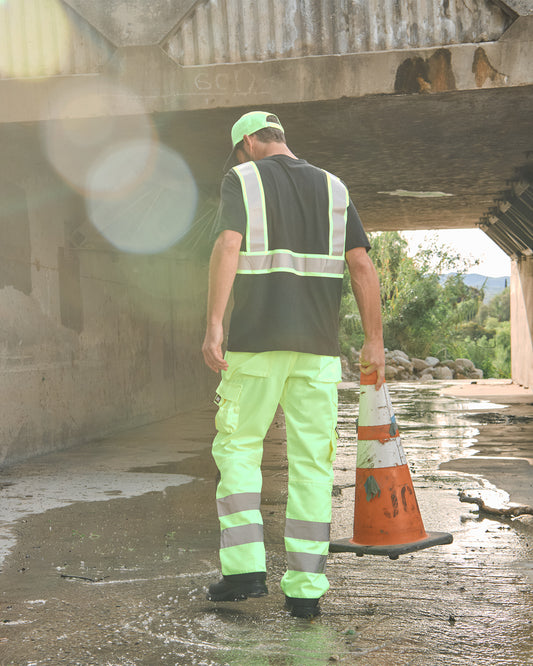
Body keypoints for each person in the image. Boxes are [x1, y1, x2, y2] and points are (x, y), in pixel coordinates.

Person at [202, 110, 385, 618]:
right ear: (279, 136)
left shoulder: (241, 179)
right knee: (312, 464)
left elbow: (228, 244)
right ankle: (305, 592)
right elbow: (361, 264)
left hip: (256, 344)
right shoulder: (334, 187)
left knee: (239, 448)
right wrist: (374, 340)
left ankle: (243, 570)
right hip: (317, 352)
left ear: (247, 144)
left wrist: (214, 324)